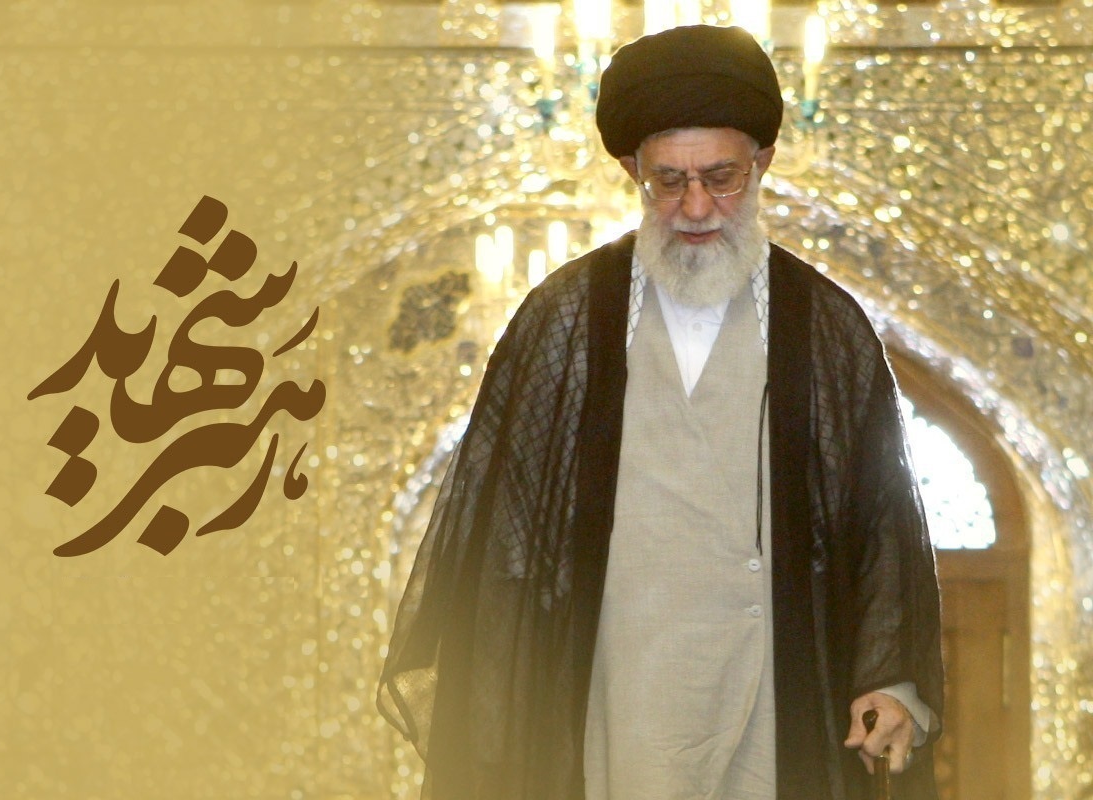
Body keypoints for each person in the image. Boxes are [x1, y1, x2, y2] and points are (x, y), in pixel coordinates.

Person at [378, 24, 944, 800]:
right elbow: (504, 529)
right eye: (668, 182)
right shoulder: (565, 316)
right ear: (630, 171)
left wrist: (890, 678)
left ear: (763, 162)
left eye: (721, 177)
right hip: (613, 685)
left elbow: (880, 517)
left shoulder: (826, 323)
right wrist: (495, 700)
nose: (697, 206)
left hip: (771, 685)